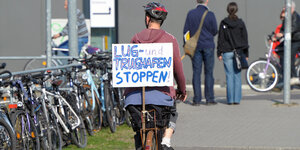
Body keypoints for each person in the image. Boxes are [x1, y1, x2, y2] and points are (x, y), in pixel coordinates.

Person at [124, 2, 187, 150]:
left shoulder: (136, 38)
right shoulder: (170, 39)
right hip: (162, 97)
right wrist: (182, 90)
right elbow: (178, 69)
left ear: (147, 19)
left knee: (139, 130)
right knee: (172, 112)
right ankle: (166, 141)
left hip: (134, 98)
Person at [183, 0, 218, 106]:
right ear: (207, 1)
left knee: (196, 73)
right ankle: (209, 98)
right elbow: (215, 30)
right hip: (208, 46)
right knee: (209, 73)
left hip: (195, 47)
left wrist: (187, 44)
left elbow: (186, 32)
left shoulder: (191, 14)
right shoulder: (210, 14)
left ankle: (197, 99)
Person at [217, 2, 249, 105]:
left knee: (229, 76)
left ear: (228, 10)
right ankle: (237, 100)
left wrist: (219, 52)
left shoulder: (224, 23)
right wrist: (246, 53)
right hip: (239, 52)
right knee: (237, 76)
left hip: (226, 52)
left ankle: (230, 100)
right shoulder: (240, 23)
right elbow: (245, 39)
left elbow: (220, 39)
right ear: (236, 10)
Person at [275, 1, 300, 85]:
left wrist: (283, 33)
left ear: (291, 8)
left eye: (285, 7)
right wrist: (277, 37)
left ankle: (294, 77)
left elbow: (293, 28)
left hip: (296, 40)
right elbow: (283, 28)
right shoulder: (287, 17)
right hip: (290, 40)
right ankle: (285, 75)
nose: (283, 9)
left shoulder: (295, 16)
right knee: (279, 50)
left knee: (289, 58)